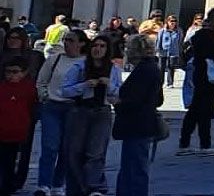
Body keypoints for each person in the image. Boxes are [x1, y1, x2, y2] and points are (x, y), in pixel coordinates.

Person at [60, 35, 120, 196]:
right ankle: (77, 188)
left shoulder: (113, 69)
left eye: (102, 46)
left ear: (107, 50)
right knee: (74, 152)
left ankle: (95, 188)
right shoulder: (79, 66)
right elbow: (65, 90)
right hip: (80, 111)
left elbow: (119, 93)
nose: (98, 49)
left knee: (96, 152)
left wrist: (110, 85)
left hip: (102, 111)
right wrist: (84, 85)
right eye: (95, 45)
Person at [113, 34, 163, 196]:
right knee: (134, 166)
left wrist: (118, 103)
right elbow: (158, 99)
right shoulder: (152, 68)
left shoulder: (143, 71)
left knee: (133, 168)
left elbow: (134, 100)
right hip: (143, 123)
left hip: (137, 124)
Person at [36, 30, 85, 195]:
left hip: (73, 108)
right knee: (50, 146)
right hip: (52, 106)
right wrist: (44, 96)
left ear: (81, 43)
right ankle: (44, 185)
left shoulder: (86, 62)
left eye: (71, 40)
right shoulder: (54, 59)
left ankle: (58, 183)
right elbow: (42, 81)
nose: (67, 43)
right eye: (65, 40)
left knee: (67, 148)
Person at [178, 7, 214, 155]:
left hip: (200, 75)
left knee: (196, 110)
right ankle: (204, 144)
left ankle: (185, 143)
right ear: (211, 19)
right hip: (207, 77)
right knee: (203, 110)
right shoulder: (209, 36)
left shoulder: (199, 35)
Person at [0, 58, 39, 196]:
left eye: (15, 72)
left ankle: (10, 185)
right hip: (3, 131)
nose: (11, 75)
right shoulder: (2, 87)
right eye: (8, 72)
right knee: (4, 160)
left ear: (24, 73)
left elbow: (32, 107)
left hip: (19, 132)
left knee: (12, 161)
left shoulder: (29, 88)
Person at [157, 15, 184, 88]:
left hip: (174, 51)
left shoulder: (179, 31)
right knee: (161, 68)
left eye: (174, 21)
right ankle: (160, 83)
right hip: (163, 51)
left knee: (171, 67)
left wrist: (179, 51)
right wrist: (158, 50)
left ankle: (170, 83)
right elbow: (159, 40)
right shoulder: (162, 30)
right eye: (171, 21)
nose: (173, 23)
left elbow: (180, 41)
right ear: (167, 22)